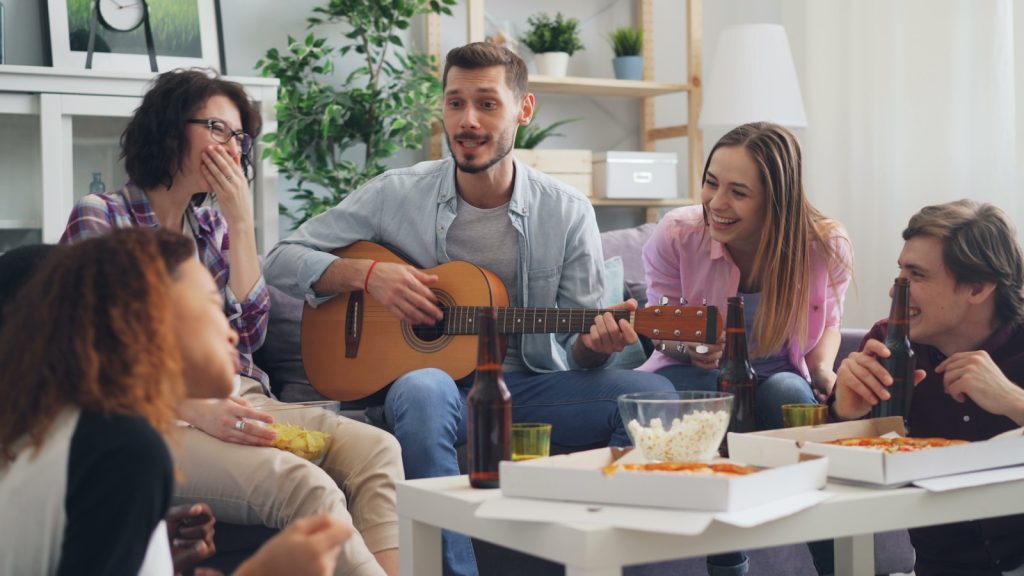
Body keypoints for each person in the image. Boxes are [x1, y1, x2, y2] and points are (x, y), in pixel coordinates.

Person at [263, 42, 674, 576]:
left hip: (526, 386)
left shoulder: (567, 212)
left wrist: (595, 347)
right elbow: (280, 258)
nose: (468, 121)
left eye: (487, 103)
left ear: (523, 110)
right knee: (422, 385)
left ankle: (597, 561)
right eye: (455, 103)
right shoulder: (395, 193)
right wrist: (368, 275)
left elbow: (581, 348)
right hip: (434, 394)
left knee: (655, 396)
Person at [60, 69, 402, 576]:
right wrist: (197, 409)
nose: (233, 147)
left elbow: (247, 339)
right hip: (151, 416)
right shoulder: (101, 217)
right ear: (172, 128)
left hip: (242, 398)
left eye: (240, 137)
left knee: (377, 448)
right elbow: (90, 356)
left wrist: (242, 223)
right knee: (307, 484)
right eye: (218, 129)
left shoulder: (212, 225)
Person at [0, 228, 352, 576]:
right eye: (213, 304)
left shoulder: (62, 434)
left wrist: (144, 554)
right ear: (150, 319)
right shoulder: (123, 447)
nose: (231, 330)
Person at [638, 122, 852, 576]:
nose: (716, 203)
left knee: (791, 397)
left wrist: (825, 373)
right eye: (711, 183)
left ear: (777, 200)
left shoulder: (825, 246)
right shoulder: (678, 235)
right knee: (695, 401)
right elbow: (658, 325)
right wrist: (689, 346)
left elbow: (828, 324)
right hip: (692, 373)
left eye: (738, 192)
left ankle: (836, 566)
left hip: (779, 372)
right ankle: (728, 565)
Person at [831, 199, 1024, 576]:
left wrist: (1013, 400)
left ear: (978, 287)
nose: (896, 291)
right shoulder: (888, 346)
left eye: (916, 275)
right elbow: (828, 468)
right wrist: (843, 413)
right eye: (899, 272)